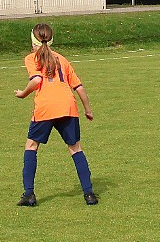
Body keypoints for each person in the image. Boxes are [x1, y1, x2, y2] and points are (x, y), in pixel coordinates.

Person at [13, 23, 98, 206]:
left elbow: (36, 80)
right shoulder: (62, 59)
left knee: (31, 146)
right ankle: (89, 193)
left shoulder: (31, 58)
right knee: (75, 148)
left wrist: (23, 93)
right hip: (68, 106)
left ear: (32, 40)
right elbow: (79, 87)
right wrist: (88, 110)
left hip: (45, 108)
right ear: (51, 40)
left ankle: (29, 194)